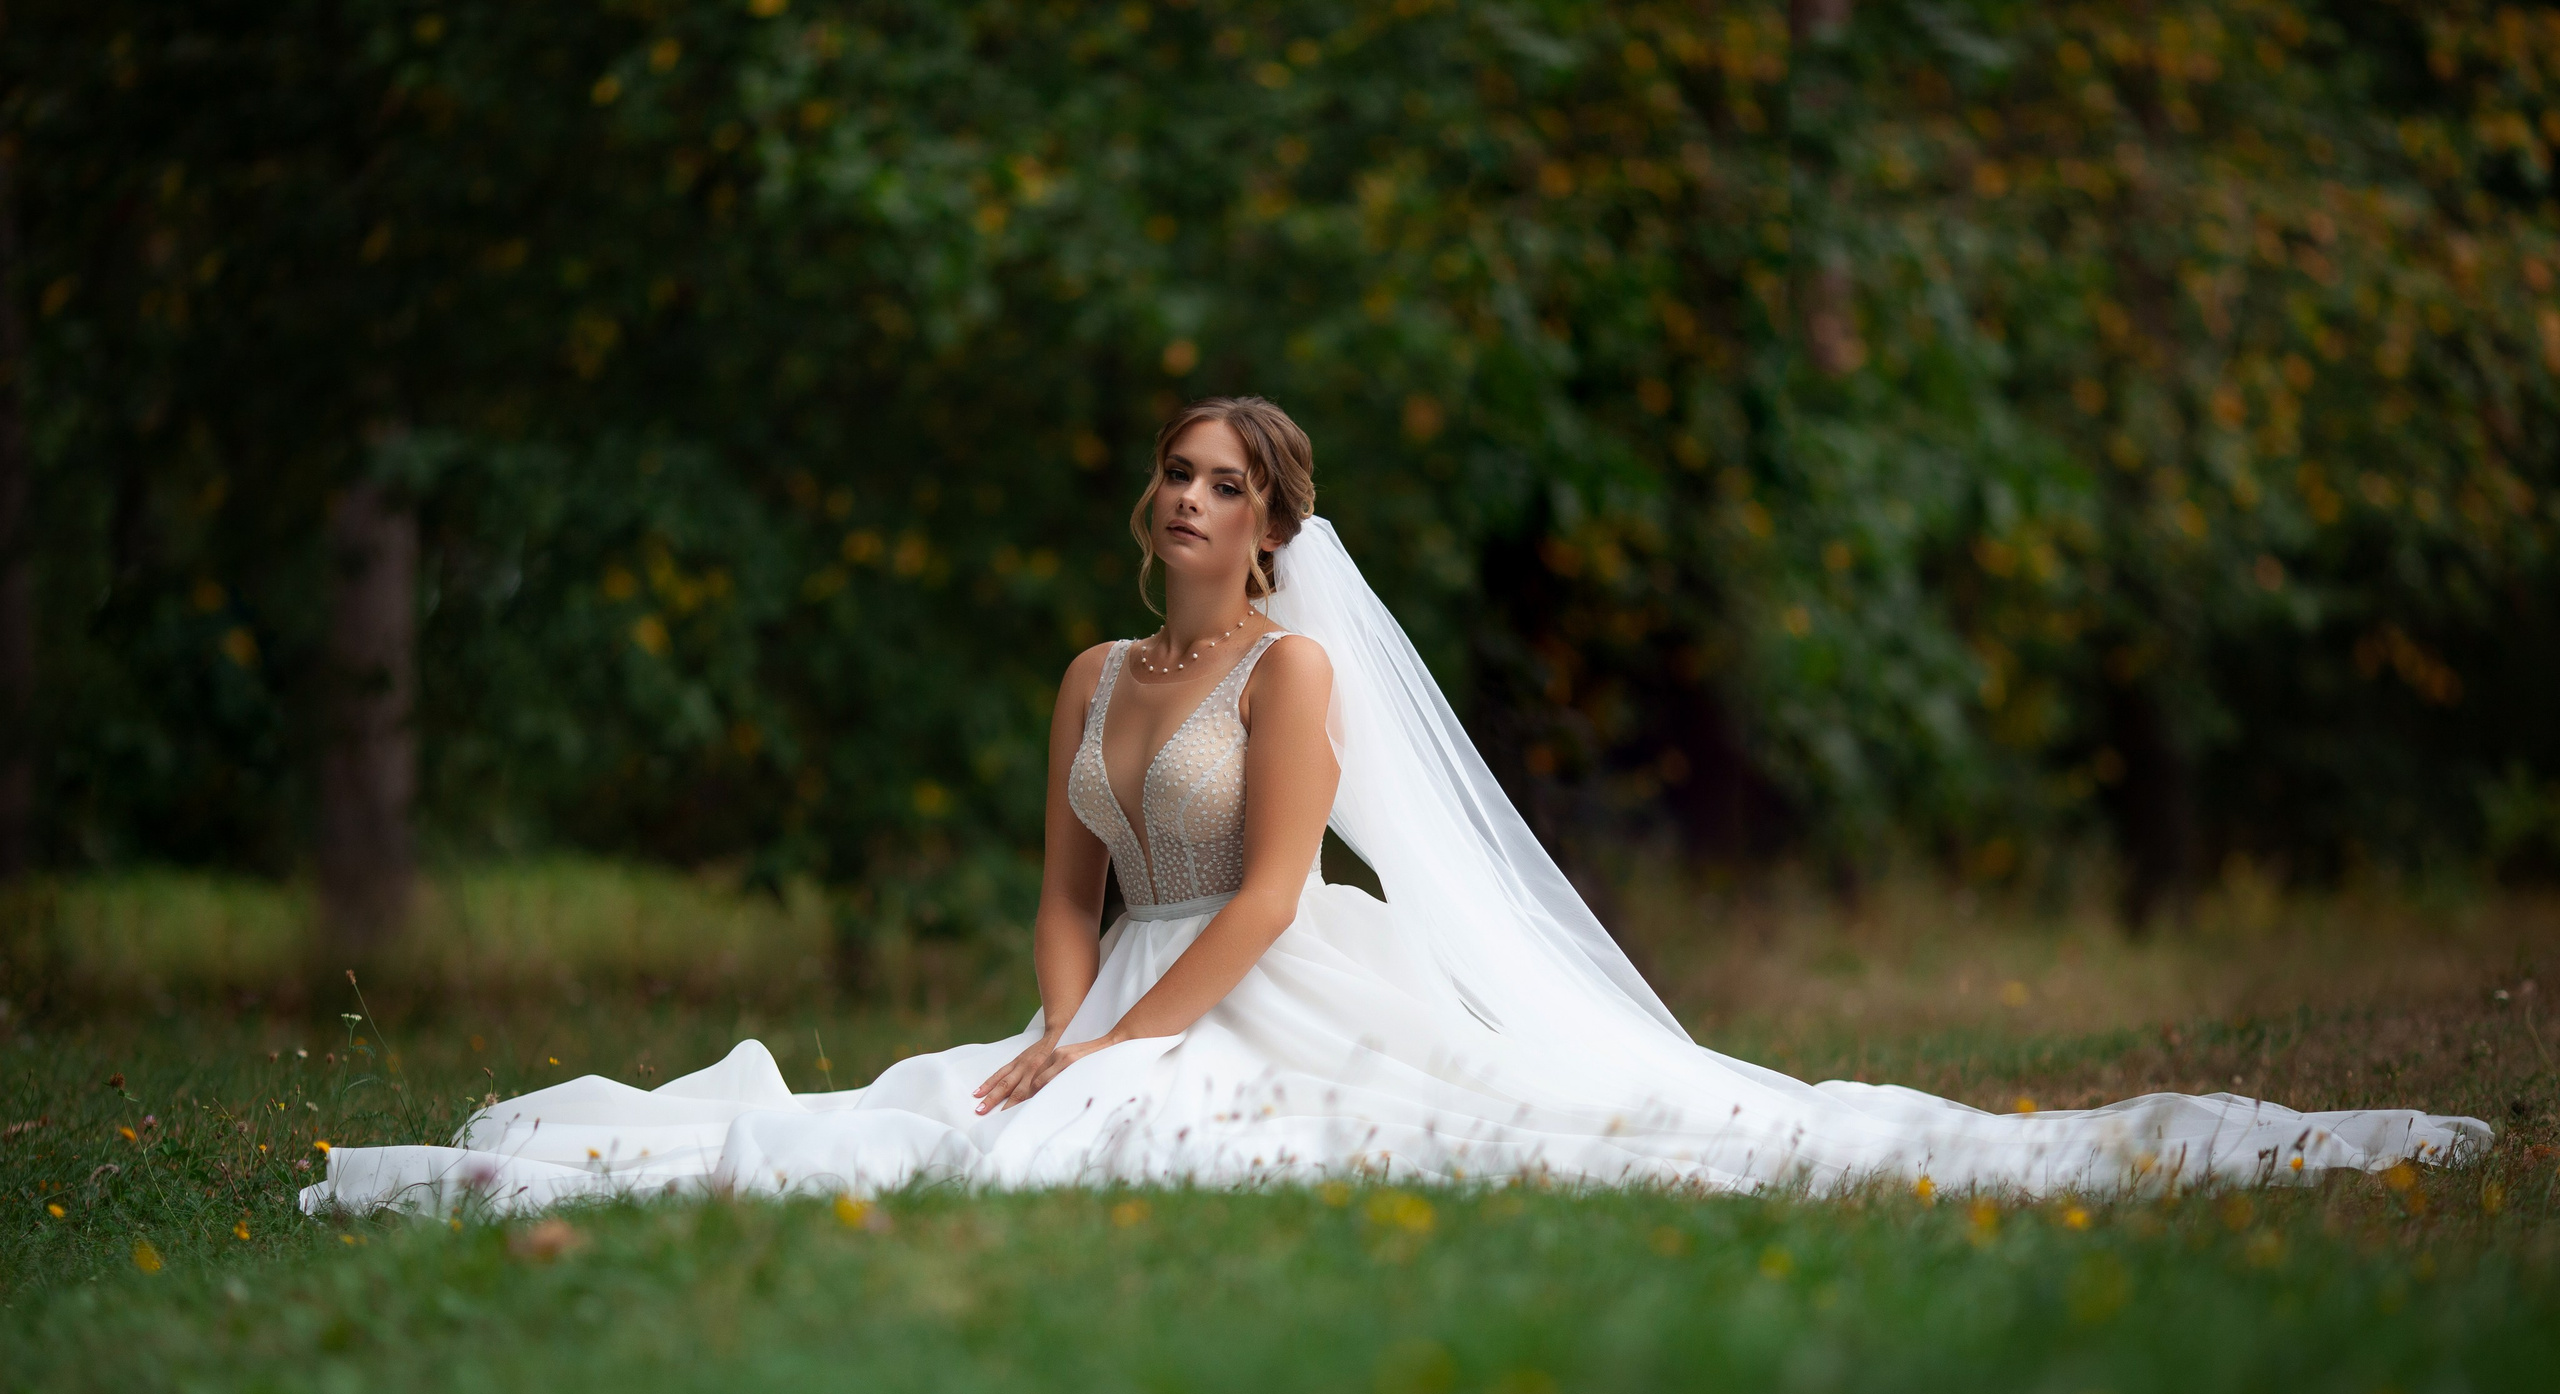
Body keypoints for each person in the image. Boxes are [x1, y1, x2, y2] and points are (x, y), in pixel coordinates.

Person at [304, 397, 2486, 1216]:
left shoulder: (1294, 668)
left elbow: (1253, 898)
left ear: (1268, 523)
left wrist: (1117, 1047)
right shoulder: (1086, 670)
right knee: (935, 1107)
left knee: (1573, 1131)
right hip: (1118, 981)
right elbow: (1069, 887)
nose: (1183, 497)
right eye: (1169, 469)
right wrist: (1053, 1018)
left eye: (1223, 481)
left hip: (1268, 979)